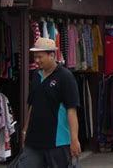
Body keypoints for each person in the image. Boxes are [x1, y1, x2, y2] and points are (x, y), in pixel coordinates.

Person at [20, 37, 81, 167]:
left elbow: (71, 110)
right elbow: (32, 105)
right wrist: (25, 130)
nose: (36, 61)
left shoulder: (65, 77)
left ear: (51, 55)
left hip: (57, 141)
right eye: (35, 57)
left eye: (40, 57)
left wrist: (74, 140)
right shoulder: (36, 75)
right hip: (34, 140)